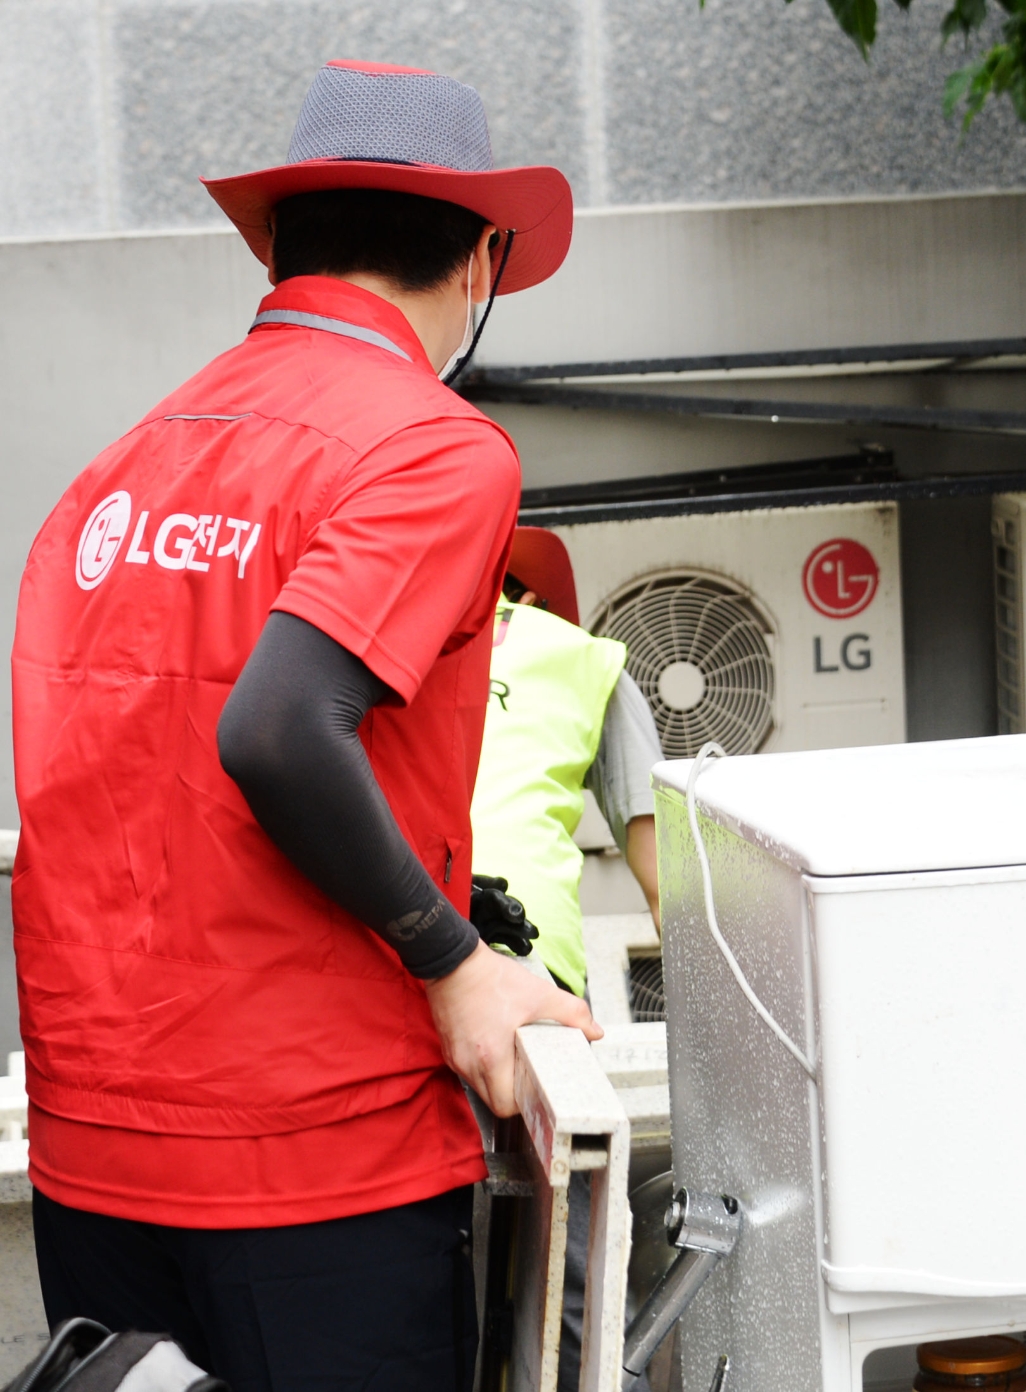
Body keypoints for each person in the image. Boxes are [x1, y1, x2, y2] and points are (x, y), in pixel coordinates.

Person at [11, 60, 597, 1387]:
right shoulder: (435, 449)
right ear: (484, 260)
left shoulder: (123, 468)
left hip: (98, 1155)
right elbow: (278, 727)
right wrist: (457, 962)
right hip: (322, 1167)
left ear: (278, 243)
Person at [473, 525, 664, 1003]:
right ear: (534, 601)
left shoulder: (398, 649)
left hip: (395, 937)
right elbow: (667, 884)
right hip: (527, 941)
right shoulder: (585, 657)